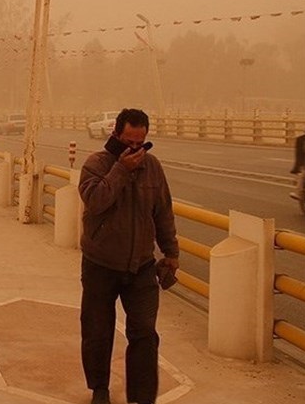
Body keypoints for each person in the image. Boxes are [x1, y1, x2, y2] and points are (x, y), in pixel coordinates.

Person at [78, 108, 179, 404]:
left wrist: (171, 252)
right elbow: (95, 202)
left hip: (142, 266)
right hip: (100, 264)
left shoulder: (153, 167)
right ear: (117, 135)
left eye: (141, 142)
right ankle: (100, 388)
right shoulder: (96, 164)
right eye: (129, 141)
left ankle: (143, 397)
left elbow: (163, 213)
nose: (136, 149)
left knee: (145, 332)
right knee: (98, 330)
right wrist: (121, 170)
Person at [289, 129, 305, 202]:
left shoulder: (302, 140)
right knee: (303, 175)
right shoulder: (301, 140)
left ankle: (299, 192)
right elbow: (299, 155)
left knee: (303, 175)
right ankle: (299, 193)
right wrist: (297, 168)